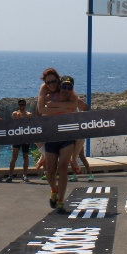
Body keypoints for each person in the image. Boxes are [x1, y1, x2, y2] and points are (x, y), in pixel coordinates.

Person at [38, 68, 80, 213]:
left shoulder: (67, 89)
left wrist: (53, 106)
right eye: (48, 82)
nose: (51, 84)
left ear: (58, 80)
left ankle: (61, 201)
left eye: (54, 81)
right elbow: (41, 110)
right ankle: (54, 190)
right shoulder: (45, 90)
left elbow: (74, 105)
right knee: (50, 171)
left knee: (62, 168)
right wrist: (61, 108)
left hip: (66, 134)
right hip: (51, 135)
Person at [60, 76, 94, 183]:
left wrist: (82, 119)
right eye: (64, 87)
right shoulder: (59, 101)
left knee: (77, 156)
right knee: (77, 155)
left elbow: (86, 108)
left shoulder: (76, 101)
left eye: (69, 87)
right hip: (69, 133)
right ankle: (75, 174)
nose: (66, 90)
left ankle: (90, 174)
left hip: (78, 133)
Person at [6, 99, 32, 183]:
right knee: (14, 156)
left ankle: (25, 175)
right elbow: (14, 124)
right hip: (17, 137)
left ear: (25, 105)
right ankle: (10, 175)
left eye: (23, 105)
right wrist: (18, 118)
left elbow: (29, 124)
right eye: (20, 105)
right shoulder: (15, 114)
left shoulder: (28, 114)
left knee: (25, 156)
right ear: (18, 105)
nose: (22, 106)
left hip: (25, 137)